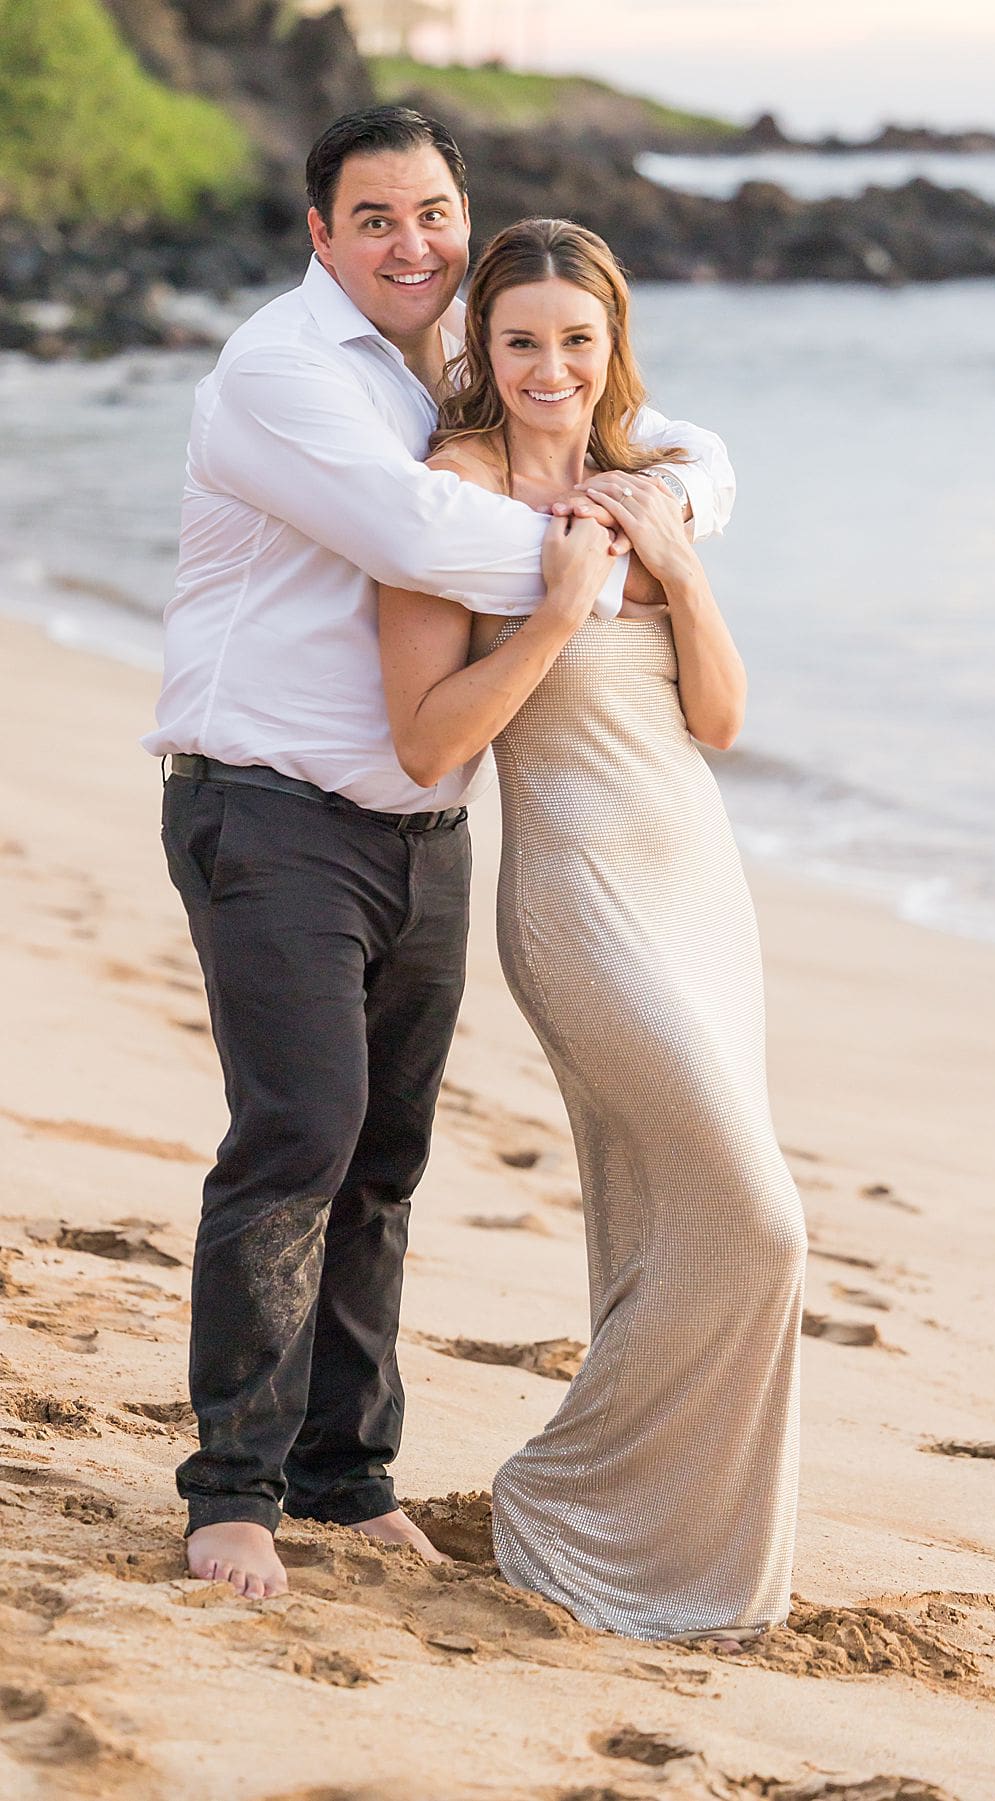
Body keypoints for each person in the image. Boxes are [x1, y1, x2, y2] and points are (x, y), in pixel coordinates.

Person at [142, 106, 734, 1600]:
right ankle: (232, 1492)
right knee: (300, 1136)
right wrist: (618, 562)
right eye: (375, 218)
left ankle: (345, 1478)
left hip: (423, 831)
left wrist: (664, 502)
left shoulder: (462, 358)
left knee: (385, 1162)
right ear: (320, 233)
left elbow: (685, 441)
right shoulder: (284, 372)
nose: (412, 243)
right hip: (267, 807)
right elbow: (421, 538)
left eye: (433, 214)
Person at [379, 218, 806, 1647]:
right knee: (761, 1224)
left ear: (614, 342)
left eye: (577, 339)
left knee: (669, 1226)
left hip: (698, 883)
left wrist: (680, 567)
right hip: (577, 896)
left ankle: (664, 1553)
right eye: (520, 341)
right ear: (481, 348)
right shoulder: (454, 494)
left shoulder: (649, 481)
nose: (550, 367)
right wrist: (556, 619)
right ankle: (559, 1492)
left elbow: (721, 721)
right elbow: (431, 742)